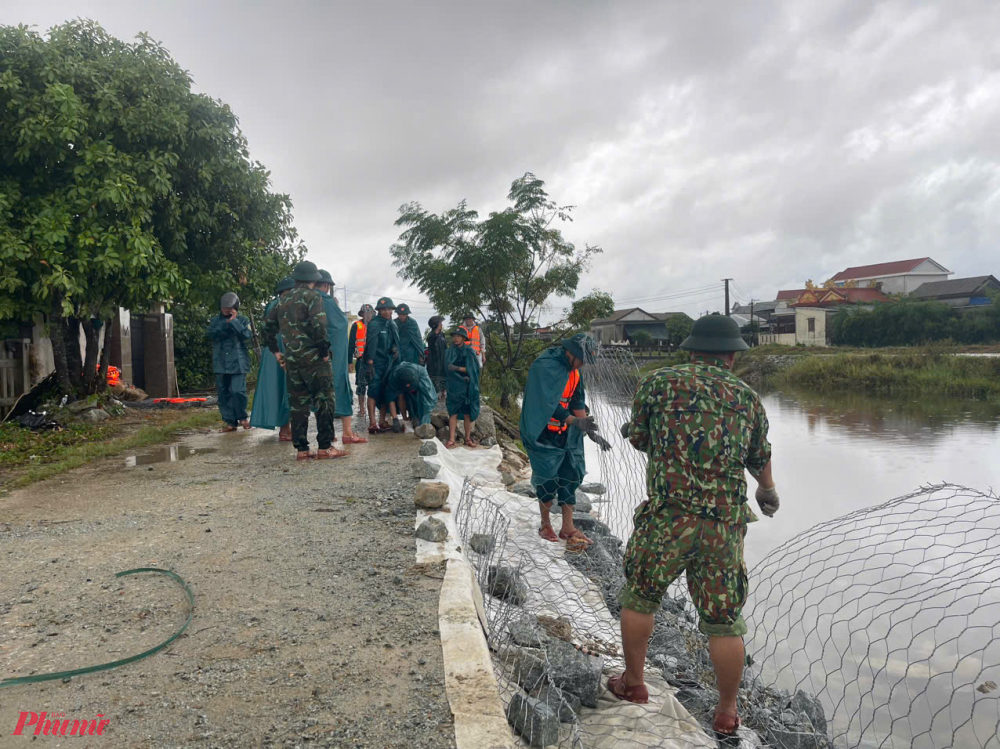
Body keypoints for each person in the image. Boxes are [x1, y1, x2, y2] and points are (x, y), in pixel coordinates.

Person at [611, 314, 777, 737]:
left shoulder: (658, 382)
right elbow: (759, 457)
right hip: (723, 524)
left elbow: (640, 436)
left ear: (690, 349)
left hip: (668, 516)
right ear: (732, 356)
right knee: (724, 620)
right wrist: (767, 491)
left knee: (641, 596)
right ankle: (726, 712)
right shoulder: (748, 399)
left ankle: (634, 685)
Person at [519, 334, 609, 546]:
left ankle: (568, 527)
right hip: (543, 432)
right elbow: (547, 402)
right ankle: (545, 524)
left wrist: (588, 428)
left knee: (570, 474)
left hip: (566, 433)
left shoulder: (574, 372)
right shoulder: (545, 366)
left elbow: (577, 401)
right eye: (583, 359)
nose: (584, 364)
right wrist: (573, 421)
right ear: (571, 353)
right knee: (547, 478)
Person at [263, 260, 342, 460]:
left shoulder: (282, 300)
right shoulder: (313, 297)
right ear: (313, 281)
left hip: (293, 361)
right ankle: (325, 447)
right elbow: (319, 326)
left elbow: (267, 329)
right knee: (324, 401)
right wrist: (324, 351)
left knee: (298, 405)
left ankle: (302, 450)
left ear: (296, 278)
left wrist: (277, 352)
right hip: (315, 359)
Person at [317, 270, 368, 446]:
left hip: (315, 358)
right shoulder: (327, 301)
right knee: (342, 390)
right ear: (326, 286)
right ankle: (347, 433)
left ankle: (328, 432)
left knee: (321, 394)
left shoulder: (306, 301)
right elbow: (339, 328)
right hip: (333, 356)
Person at [249, 276, 294, 439]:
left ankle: (285, 429)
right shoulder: (287, 304)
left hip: (271, 351)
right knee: (289, 388)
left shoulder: (270, 305)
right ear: (287, 291)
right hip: (284, 348)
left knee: (276, 388)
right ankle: (287, 430)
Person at [207, 291, 252, 433]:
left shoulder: (243, 320)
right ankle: (230, 422)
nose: (225, 310)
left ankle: (242, 417)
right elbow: (211, 334)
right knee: (223, 393)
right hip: (220, 362)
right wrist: (226, 324)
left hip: (238, 362)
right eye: (223, 308)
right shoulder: (215, 321)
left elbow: (247, 335)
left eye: (228, 308)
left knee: (238, 391)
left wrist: (235, 322)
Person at [363, 297, 400, 433]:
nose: (387, 312)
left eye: (389, 309)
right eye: (384, 309)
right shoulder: (374, 324)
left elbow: (396, 341)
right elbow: (371, 345)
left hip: (389, 363)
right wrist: (370, 363)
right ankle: (373, 423)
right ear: (379, 311)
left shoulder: (392, 324)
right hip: (376, 363)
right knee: (373, 391)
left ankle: (382, 420)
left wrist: (395, 349)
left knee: (386, 391)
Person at [444, 326, 481, 448]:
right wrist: (455, 372)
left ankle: (467, 438)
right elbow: (446, 368)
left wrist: (457, 369)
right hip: (454, 386)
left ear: (463, 338)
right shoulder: (449, 351)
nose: (456, 338)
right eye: (454, 336)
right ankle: (451, 439)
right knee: (453, 412)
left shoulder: (469, 351)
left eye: (458, 336)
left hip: (466, 386)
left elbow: (473, 369)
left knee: (467, 414)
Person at [384, 361, 437, 431]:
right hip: (401, 380)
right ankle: (413, 417)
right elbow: (392, 399)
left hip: (418, 382)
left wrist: (426, 412)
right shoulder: (394, 378)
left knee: (423, 399)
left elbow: (429, 397)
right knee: (406, 397)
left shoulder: (421, 372)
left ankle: (422, 421)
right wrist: (395, 419)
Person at [349, 304, 374, 406]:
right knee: (361, 385)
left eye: (369, 312)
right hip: (361, 360)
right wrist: (349, 361)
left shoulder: (375, 325)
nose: (367, 314)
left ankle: (375, 408)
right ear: (362, 314)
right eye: (365, 312)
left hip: (374, 360)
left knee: (375, 385)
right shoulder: (356, 325)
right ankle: (362, 409)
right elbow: (351, 344)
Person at [425, 315, 448, 396]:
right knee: (435, 379)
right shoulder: (431, 335)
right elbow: (431, 339)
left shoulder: (442, 335)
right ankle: (437, 394)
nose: (442, 324)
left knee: (444, 378)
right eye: (440, 323)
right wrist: (436, 331)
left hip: (443, 361)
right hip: (434, 362)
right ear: (436, 324)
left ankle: (443, 393)